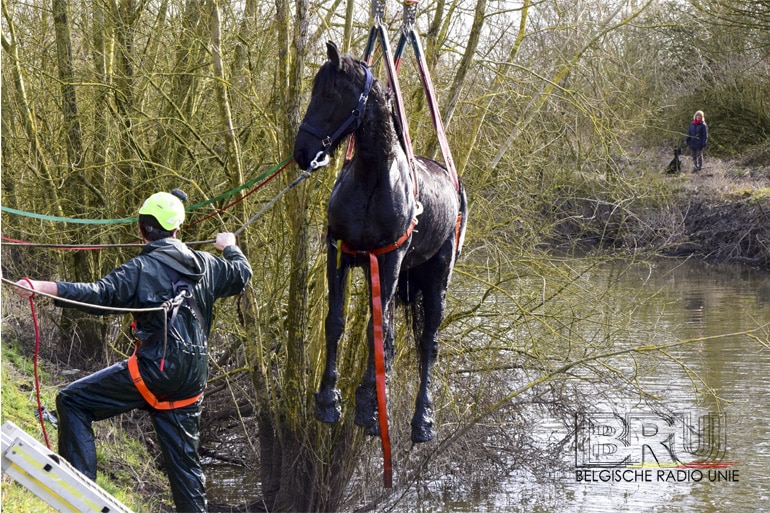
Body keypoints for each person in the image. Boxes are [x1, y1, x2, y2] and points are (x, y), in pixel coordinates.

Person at [13, 190, 252, 512]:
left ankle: (79, 500)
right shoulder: (209, 265)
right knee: (185, 467)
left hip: (155, 370)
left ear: (141, 229)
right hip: (192, 379)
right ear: (178, 230)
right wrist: (230, 246)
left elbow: (99, 296)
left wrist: (42, 287)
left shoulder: (140, 269)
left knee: (73, 401)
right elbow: (241, 275)